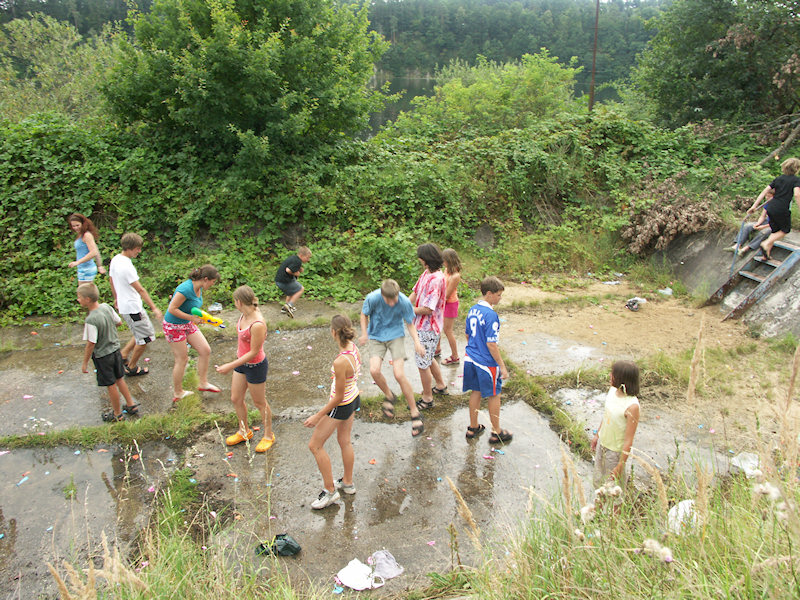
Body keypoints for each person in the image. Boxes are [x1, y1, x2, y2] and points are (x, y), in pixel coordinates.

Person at [304, 315, 362, 509]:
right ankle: (348, 483)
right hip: (353, 398)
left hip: (341, 405)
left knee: (315, 445)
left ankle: (330, 491)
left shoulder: (340, 362)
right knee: (344, 441)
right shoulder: (354, 348)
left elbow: (338, 398)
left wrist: (317, 415)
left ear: (333, 332)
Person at [359, 279, 427, 437]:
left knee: (399, 374)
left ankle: (415, 413)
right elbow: (364, 314)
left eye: (394, 299)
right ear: (382, 295)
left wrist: (417, 342)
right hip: (376, 336)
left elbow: (410, 323)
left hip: (396, 335)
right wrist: (364, 333)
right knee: (374, 371)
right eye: (388, 300)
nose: (392, 303)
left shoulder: (404, 302)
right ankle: (390, 395)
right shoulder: (372, 298)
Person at [215, 286, 275, 452]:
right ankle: (244, 431)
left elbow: (254, 352)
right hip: (241, 363)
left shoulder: (257, 324)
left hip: (255, 366)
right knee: (236, 398)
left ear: (239, 302)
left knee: (259, 402)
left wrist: (230, 365)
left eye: (235, 301)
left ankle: (268, 435)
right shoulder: (244, 314)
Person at [77, 283, 139, 422]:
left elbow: (91, 343)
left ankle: (117, 414)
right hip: (115, 351)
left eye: (79, 297)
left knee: (111, 385)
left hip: (103, 356)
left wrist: (85, 362)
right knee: (119, 379)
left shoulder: (91, 320)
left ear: (87, 299)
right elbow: (119, 323)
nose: (78, 299)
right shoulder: (106, 307)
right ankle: (131, 404)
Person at [463, 276, 512, 444]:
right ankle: (496, 431)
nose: (500, 298)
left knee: (476, 391)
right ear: (489, 294)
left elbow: (467, 334)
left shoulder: (473, 310)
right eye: (498, 295)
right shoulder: (491, 315)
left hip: (471, 358)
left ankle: (473, 427)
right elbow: (491, 344)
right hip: (486, 362)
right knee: (494, 394)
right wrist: (502, 366)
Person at [163, 264, 221, 402]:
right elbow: (172, 309)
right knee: (182, 359)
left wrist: (203, 317)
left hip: (186, 323)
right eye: (213, 282)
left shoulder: (198, 288)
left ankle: (203, 383)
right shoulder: (185, 289)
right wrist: (191, 318)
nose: (212, 285)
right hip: (173, 326)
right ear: (206, 279)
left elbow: (192, 308)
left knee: (205, 350)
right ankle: (178, 392)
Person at [108, 233, 162, 377]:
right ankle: (131, 367)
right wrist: (154, 307)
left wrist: (116, 298)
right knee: (145, 338)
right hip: (133, 308)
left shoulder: (116, 259)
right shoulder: (126, 266)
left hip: (125, 305)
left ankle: (123, 355)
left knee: (139, 333)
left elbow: (111, 280)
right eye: (137, 248)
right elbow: (140, 289)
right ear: (130, 248)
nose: (139, 251)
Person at [408, 243, 448, 412]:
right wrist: (404, 304)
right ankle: (440, 385)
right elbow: (415, 292)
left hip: (428, 328)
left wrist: (409, 310)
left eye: (420, 258)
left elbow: (428, 309)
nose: (419, 260)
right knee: (429, 357)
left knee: (422, 363)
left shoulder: (436, 280)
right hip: (423, 326)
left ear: (426, 259)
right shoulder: (427, 273)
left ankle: (427, 398)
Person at [590, 360, 641, 489]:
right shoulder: (612, 391)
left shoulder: (632, 406)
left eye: (613, 374)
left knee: (613, 488)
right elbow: (606, 416)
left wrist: (620, 465)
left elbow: (629, 440)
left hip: (615, 453)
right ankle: (598, 503)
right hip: (602, 445)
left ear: (621, 379)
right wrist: (597, 435)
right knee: (598, 482)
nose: (610, 375)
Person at [747, 157, 800, 260]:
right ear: (797, 168)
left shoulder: (778, 179)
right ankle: (766, 243)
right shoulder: (796, 180)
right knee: (785, 230)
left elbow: (764, 191)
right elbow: (797, 195)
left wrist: (754, 206)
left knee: (775, 231)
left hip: (770, 207)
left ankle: (766, 255)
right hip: (782, 208)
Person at [438, 248, 462, 365]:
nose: (443, 262)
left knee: (448, 330)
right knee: (438, 326)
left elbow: (447, 295)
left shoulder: (455, 276)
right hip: (443, 302)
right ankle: (437, 349)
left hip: (450, 304)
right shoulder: (446, 270)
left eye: (444, 260)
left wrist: (436, 302)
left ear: (449, 260)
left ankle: (455, 356)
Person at [67, 213, 106, 284]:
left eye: (77, 225)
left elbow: (94, 252)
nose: (76, 228)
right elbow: (95, 250)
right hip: (82, 269)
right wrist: (99, 265)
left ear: (83, 224)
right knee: (85, 291)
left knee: (84, 291)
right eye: (73, 226)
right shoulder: (80, 235)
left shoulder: (87, 235)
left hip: (87, 269)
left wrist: (77, 262)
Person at [275, 246, 311, 318]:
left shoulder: (294, 258)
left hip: (278, 280)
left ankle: (285, 309)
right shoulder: (298, 261)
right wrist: (296, 273)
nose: (308, 260)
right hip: (284, 281)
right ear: (301, 255)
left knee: (291, 292)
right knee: (301, 289)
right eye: (307, 258)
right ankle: (289, 305)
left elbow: (290, 266)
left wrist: (299, 269)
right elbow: (288, 270)